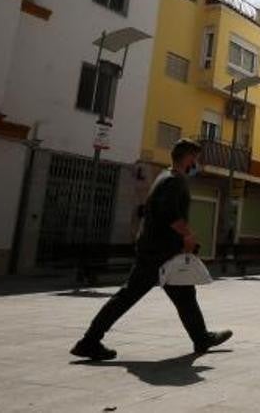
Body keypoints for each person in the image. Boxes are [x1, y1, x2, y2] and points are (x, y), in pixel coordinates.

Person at [71, 139, 231, 360]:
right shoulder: (173, 181)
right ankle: (89, 340)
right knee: (128, 296)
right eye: (196, 158)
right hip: (159, 253)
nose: (197, 163)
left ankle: (201, 337)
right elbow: (171, 216)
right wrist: (189, 236)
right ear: (187, 158)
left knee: (184, 295)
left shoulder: (165, 178)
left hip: (159, 250)